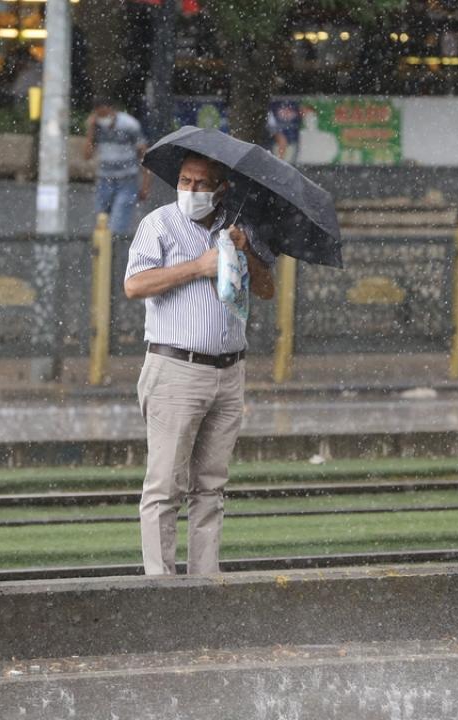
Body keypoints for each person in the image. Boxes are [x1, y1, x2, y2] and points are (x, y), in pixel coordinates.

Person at [124, 151, 276, 575]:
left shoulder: (237, 225)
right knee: (165, 485)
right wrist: (197, 267)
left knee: (210, 486)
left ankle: (205, 582)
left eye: (201, 184)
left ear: (221, 187)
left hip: (229, 370)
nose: (190, 190)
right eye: (185, 181)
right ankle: (161, 584)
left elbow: (266, 290)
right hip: (176, 368)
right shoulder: (160, 224)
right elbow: (135, 285)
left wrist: (248, 254)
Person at [84, 97, 151, 234]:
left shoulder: (129, 125)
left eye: (104, 114)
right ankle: (103, 254)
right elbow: (87, 155)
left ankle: (114, 252)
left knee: (118, 226)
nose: (103, 118)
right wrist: (91, 130)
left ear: (111, 110)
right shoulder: (96, 125)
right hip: (104, 180)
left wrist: (145, 183)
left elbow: (144, 154)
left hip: (127, 180)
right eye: (99, 115)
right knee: (101, 224)